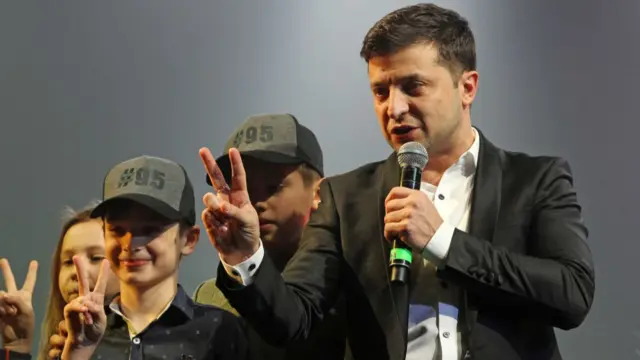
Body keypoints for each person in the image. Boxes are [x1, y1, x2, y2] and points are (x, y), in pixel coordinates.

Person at [198, 3, 595, 360]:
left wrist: (443, 242)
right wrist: (245, 257)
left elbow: (572, 294)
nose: (395, 107)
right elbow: (293, 319)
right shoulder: (346, 197)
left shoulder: (535, 180)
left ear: (467, 87)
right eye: (380, 91)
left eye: (413, 86)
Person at [59, 155, 250, 360]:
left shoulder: (219, 331)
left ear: (188, 240)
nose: (130, 243)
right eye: (117, 230)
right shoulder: (81, 330)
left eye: (150, 230)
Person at [193, 114, 346, 359]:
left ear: (320, 192)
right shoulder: (209, 297)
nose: (253, 204)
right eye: (243, 189)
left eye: (273, 187)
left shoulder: (354, 285)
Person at [0, 202, 120, 360]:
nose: (77, 271)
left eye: (96, 258)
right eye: (68, 262)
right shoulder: (59, 346)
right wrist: (17, 346)